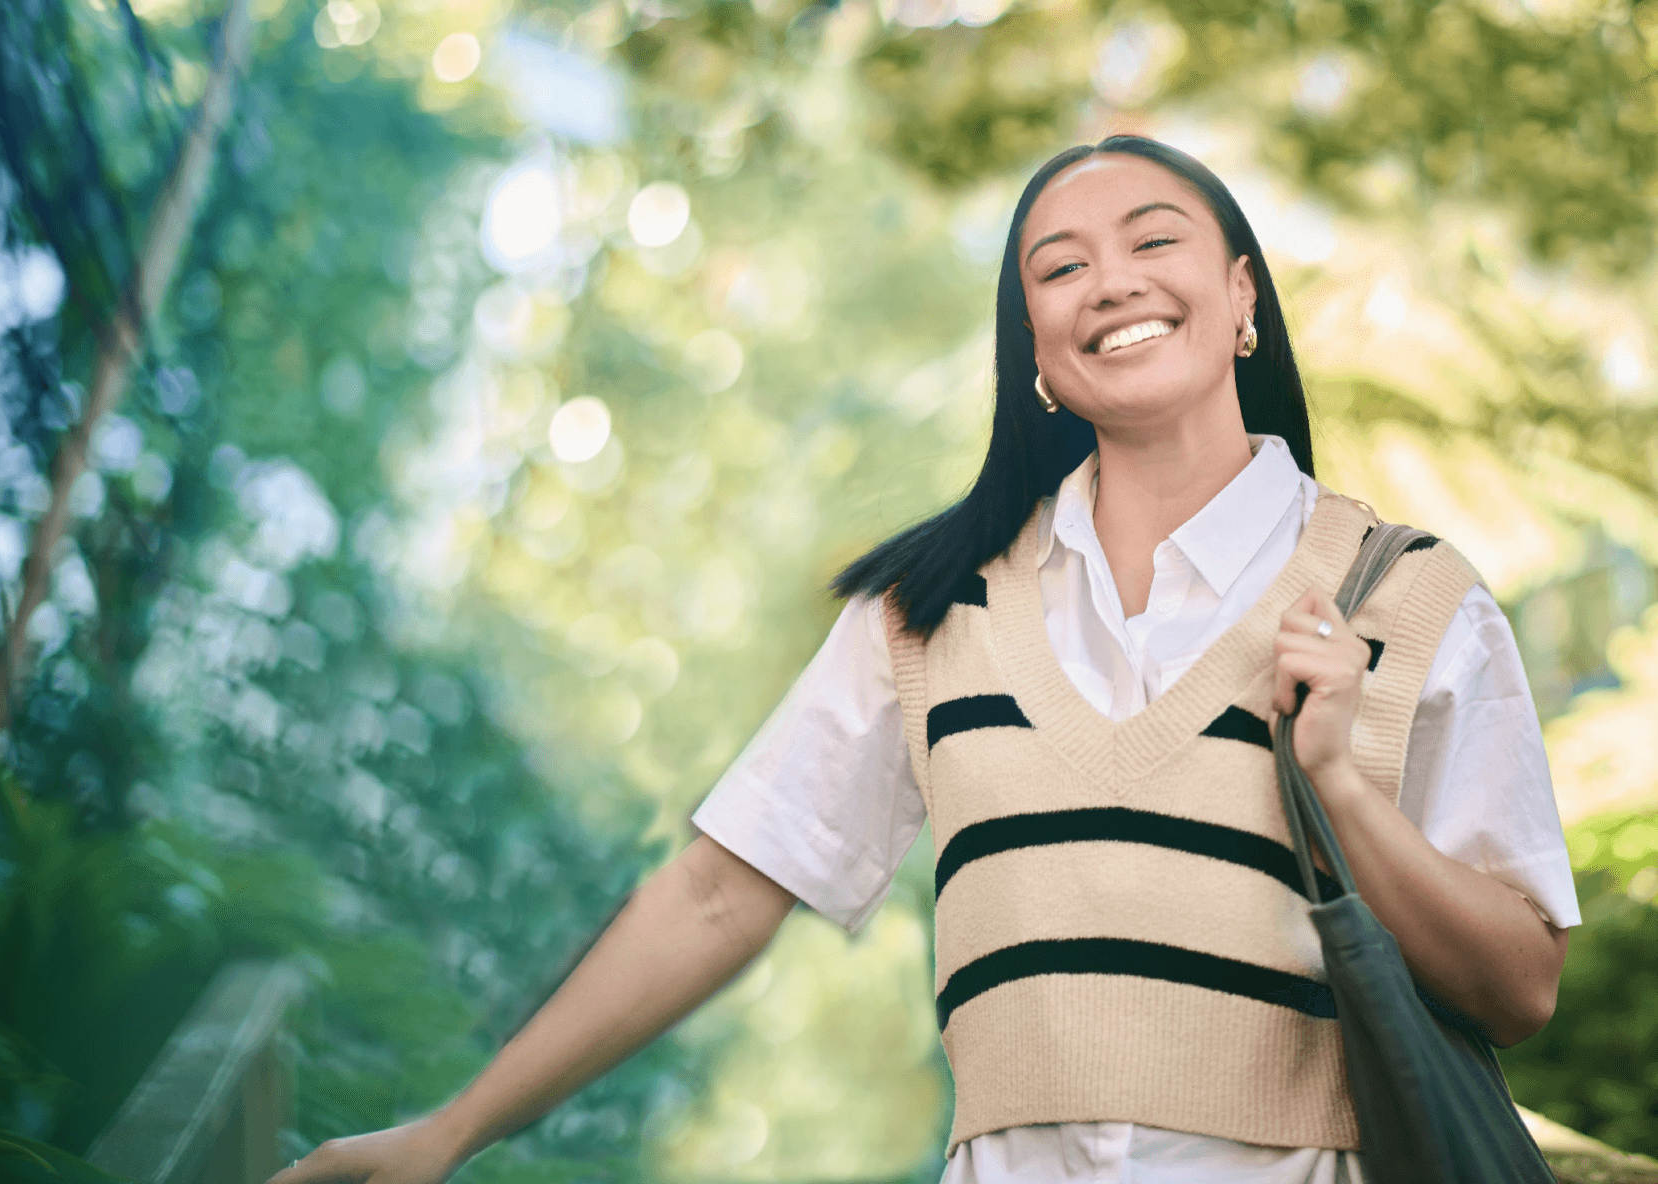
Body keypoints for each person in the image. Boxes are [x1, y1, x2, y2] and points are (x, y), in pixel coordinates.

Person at [269, 135, 1579, 1184]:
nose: (1109, 281)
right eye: (1058, 268)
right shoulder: (930, 612)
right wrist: (449, 1135)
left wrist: (1343, 789)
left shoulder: (1409, 599)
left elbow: (1519, 984)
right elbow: (723, 894)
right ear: (1040, 361)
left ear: (1242, 298)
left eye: (1155, 240)